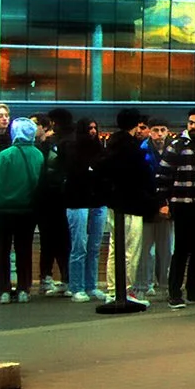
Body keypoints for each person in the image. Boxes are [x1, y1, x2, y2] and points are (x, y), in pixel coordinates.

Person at [98, 108, 156, 307]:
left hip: (114, 204)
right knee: (131, 249)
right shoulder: (133, 150)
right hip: (131, 204)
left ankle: (113, 289)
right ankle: (126, 290)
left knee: (115, 248)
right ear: (134, 125)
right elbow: (143, 177)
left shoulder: (112, 145)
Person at [158, 110, 195, 309]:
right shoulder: (177, 146)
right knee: (181, 250)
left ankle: (193, 290)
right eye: (191, 123)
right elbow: (163, 175)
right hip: (182, 204)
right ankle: (174, 293)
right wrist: (163, 203)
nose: (193, 127)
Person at [0, 119, 44, 304]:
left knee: (3, 250)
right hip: (28, 211)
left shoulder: (5, 155)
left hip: (5, 210)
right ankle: (24, 288)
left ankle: (4, 289)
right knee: (24, 249)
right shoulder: (38, 155)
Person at [62, 118, 108, 302]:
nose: (93, 131)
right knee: (79, 246)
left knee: (94, 246)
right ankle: (76, 287)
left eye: (95, 127)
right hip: (77, 201)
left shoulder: (99, 148)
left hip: (97, 200)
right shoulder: (72, 148)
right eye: (89, 128)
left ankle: (91, 285)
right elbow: (76, 171)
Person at [35, 111, 72, 295]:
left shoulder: (53, 146)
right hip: (48, 201)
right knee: (49, 240)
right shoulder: (46, 146)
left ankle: (60, 277)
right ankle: (50, 276)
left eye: (35, 124)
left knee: (56, 239)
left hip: (53, 200)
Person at [138, 119, 173, 296]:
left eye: (162, 130)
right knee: (147, 249)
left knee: (166, 248)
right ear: (150, 132)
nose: (159, 134)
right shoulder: (142, 150)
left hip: (167, 204)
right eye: (156, 130)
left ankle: (165, 282)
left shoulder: (173, 150)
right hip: (148, 205)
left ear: (167, 131)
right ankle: (147, 283)